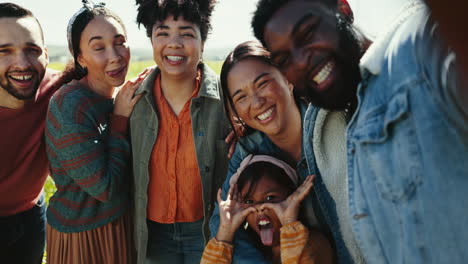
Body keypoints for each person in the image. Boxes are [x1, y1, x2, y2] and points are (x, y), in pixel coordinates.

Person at [251, 0, 468, 263]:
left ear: (344, 9)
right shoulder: (318, 128)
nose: (300, 63)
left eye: (308, 33)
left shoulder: (419, 47)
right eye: (284, 60)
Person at [210, 41, 363, 264]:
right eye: (241, 97)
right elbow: (223, 220)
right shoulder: (247, 153)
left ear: (288, 79)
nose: (256, 102)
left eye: (262, 84)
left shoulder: (336, 120)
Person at [131, 0, 230, 263]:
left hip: (208, 230)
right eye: (162, 33)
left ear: (202, 43)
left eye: (187, 33)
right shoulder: (132, 102)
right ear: (151, 40)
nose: (174, 43)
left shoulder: (227, 101)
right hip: (153, 235)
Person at [44, 2, 139, 263]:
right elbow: (104, 187)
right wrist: (119, 120)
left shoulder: (122, 95)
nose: (115, 55)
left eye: (120, 42)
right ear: (80, 57)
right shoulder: (70, 105)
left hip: (122, 224)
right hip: (84, 235)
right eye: (99, 48)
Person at [0, 3, 61, 263]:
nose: (22, 64)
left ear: (46, 55)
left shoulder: (60, 89)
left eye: (32, 50)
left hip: (31, 217)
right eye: (4, 51)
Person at [202, 154, 333, 264]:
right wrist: (225, 231)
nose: (260, 207)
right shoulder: (247, 249)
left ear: (292, 197)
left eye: (270, 198)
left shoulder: (313, 243)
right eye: (249, 201)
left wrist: (289, 222)